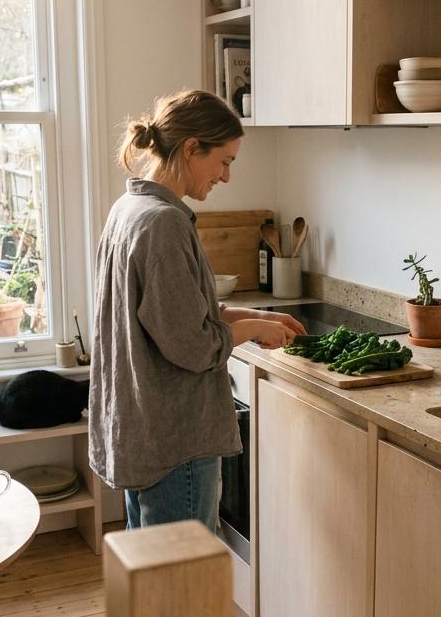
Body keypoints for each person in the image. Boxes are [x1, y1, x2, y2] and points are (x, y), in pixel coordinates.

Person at [88, 88, 305, 533]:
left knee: (152, 579)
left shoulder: (129, 209)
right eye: (223, 161)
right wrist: (248, 333)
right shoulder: (163, 224)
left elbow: (180, 311)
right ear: (191, 148)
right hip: (177, 442)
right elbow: (192, 345)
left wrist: (259, 319)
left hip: (144, 431)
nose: (226, 177)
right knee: (176, 594)